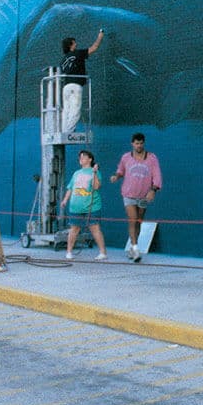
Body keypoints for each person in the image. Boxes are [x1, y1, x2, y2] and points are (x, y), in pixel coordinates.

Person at [110, 132, 162, 262]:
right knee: (132, 219)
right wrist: (116, 176)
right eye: (136, 143)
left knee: (138, 221)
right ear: (132, 144)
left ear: (144, 143)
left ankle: (133, 247)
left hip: (144, 196)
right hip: (128, 194)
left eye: (141, 143)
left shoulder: (151, 158)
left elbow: (157, 175)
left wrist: (153, 190)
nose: (139, 145)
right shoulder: (126, 157)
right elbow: (121, 171)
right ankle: (135, 248)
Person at [60, 149, 107, 261]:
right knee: (74, 229)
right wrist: (65, 200)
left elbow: (96, 187)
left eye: (83, 157)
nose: (81, 159)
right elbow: (70, 188)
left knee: (95, 228)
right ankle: (69, 252)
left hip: (91, 206)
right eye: (80, 157)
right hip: (76, 206)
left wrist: (95, 172)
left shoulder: (95, 172)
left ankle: (103, 252)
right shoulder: (76, 173)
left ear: (90, 159)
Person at [59, 29, 103, 133]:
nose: (76, 44)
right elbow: (94, 48)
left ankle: (64, 129)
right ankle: (69, 132)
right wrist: (100, 36)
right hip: (75, 85)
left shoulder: (63, 60)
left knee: (66, 110)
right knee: (75, 109)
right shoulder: (77, 53)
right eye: (74, 43)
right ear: (70, 46)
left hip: (66, 87)